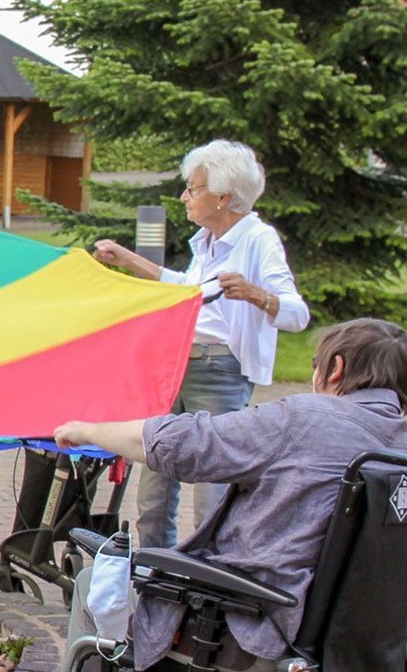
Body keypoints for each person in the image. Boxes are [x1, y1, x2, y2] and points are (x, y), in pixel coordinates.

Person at [52, 318, 407, 672]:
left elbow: (183, 445)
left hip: (257, 628)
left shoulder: (302, 419)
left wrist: (89, 430)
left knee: (100, 585)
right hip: (350, 640)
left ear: (334, 368)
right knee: (162, 592)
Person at [91, 141, 310, 547]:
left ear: (223, 197)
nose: (184, 197)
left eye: (193, 189)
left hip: (219, 373)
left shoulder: (258, 240)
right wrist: (129, 260)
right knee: (153, 490)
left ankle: (208, 585)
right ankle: (156, 576)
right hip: (173, 368)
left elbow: (298, 314)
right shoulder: (206, 241)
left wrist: (257, 295)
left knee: (211, 494)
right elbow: (190, 291)